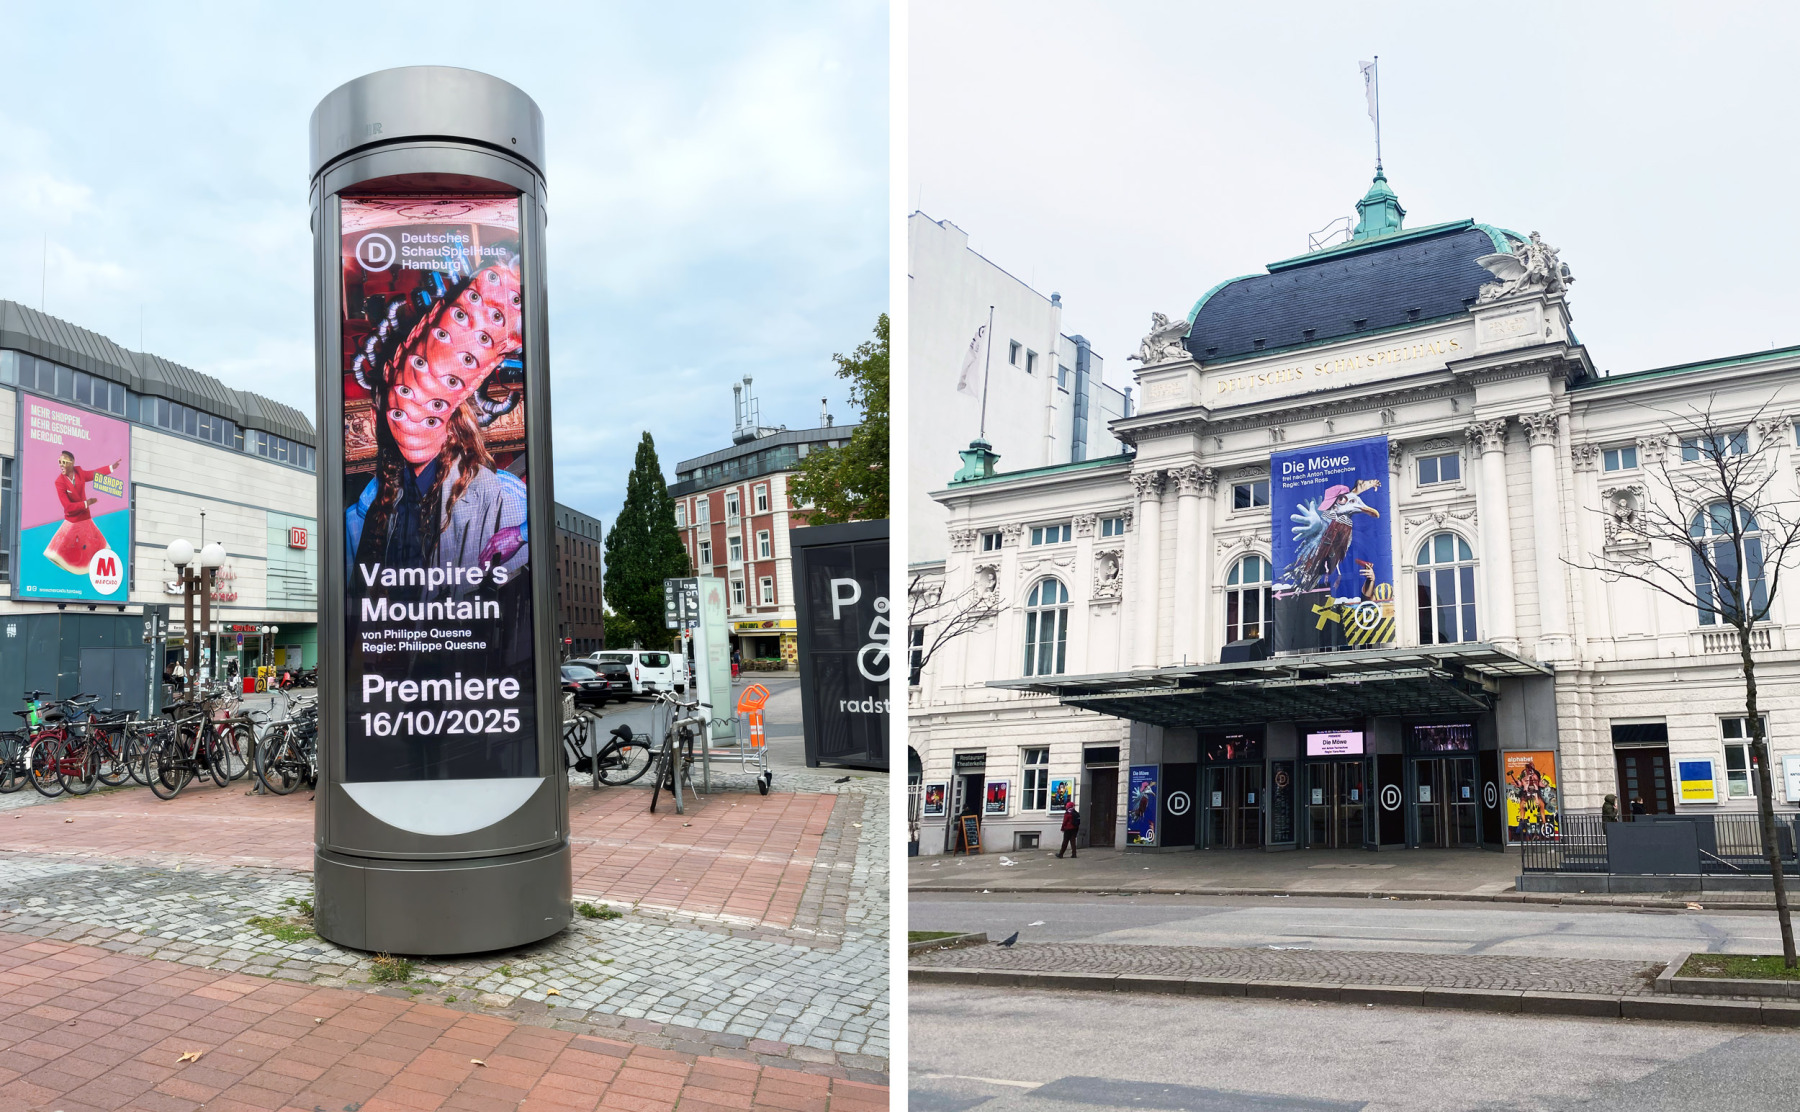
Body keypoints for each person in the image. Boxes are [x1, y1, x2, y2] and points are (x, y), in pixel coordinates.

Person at [46, 450, 122, 574]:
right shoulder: (59, 482)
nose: (61, 465)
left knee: (93, 544)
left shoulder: (79, 473)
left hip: (86, 518)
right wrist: (86, 503)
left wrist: (111, 468)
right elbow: (68, 507)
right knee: (64, 547)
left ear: (72, 463)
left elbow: (94, 474)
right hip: (72, 520)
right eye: (59, 462)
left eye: (64, 462)